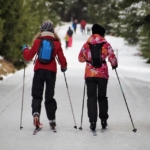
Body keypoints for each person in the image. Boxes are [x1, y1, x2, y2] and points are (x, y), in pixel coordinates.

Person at [22, 20, 67, 129]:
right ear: (52, 30)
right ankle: (52, 120)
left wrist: (25, 49)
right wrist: (63, 67)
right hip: (51, 72)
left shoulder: (38, 41)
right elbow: (62, 60)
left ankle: (36, 113)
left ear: (42, 30)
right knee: (49, 96)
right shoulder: (56, 43)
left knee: (37, 94)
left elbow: (28, 56)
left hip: (39, 70)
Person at [78, 24, 118, 131]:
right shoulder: (105, 44)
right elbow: (112, 57)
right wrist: (114, 64)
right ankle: (103, 120)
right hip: (102, 74)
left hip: (89, 74)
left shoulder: (86, 44)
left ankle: (92, 122)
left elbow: (80, 58)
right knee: (102, 96)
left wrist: (88, 59)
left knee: (91, 97)